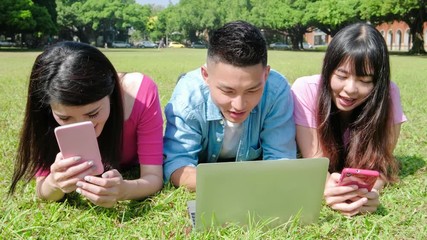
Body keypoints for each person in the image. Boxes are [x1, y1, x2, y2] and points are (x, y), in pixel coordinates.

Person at [9, 41, 164, 207]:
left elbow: (153, 178)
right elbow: (42, 189)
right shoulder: (45, 112)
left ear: (110, 92)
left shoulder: (140, 94)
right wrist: (55, 182)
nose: (83, 125)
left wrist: (124, 190)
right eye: (65, 118)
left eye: (92, 113)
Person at [163, 20, 297, 191]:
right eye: (228, 91)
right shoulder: (188, 96)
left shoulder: (277, 90)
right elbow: (177, 164)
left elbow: (281, 158)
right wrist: (233, 185)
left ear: (266, 75)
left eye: (252, 90)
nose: (239, 105)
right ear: (206, 75)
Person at [291, 22, 407, 216]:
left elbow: (380, 164)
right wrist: (328, 189)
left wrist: (369, 193)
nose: (350, 89)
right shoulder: (306, 89)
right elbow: (316, 165)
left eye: (365, 81)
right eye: (341, 75)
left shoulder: (388, 93)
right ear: (328, 69)